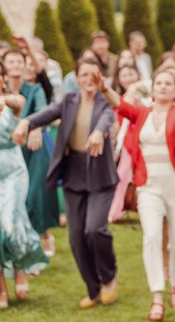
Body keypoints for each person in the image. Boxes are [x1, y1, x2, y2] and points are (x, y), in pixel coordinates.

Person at [12, 57, 118, 309]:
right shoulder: (69, 101)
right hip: (74, 173)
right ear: (77, 78)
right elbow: (47, 114)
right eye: (84, 75)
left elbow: (106, 120)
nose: (89, 80)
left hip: (100, 175)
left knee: (94, 229)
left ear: (100, 77)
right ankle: (93, 289)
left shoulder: (106, 102)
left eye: (94, 75)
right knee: (76, 236)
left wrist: (97, 133)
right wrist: (26, 123)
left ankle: (109, 277)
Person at [97, 66, 175, 321]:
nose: (163, 86)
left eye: (168, 83)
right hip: (148, 185)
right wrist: (104, 87)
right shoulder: (142, 112)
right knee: (152, 237)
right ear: (152, 89)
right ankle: (157, 295)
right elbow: (120, 105)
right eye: (159, 83)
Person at [0, 61, 48, 309]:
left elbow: (17, 104)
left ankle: (20, 267)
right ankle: (1, 288)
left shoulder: (13, 101)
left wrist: (3, 99)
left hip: (14, 171)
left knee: (10, 223)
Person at [3, 48, 58, 257]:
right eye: (11, 62)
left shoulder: (34, 90)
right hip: (9, 154)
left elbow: (44, 112)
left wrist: (36, 129)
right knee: (17, 202)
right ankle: (24, 248)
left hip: (34, 151)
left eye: (20, 61)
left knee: (35, 195)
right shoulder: (3, 92)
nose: (16, 65)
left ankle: (43, 237)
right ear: (4, 66)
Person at [108, 64, 144, 223]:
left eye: (131, 74)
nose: (128, 78)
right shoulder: (120, 100)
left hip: (143, 142)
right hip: (127, 144)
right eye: (124, 75)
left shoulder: (147, 97)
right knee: (122, 176)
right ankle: (114, 211)